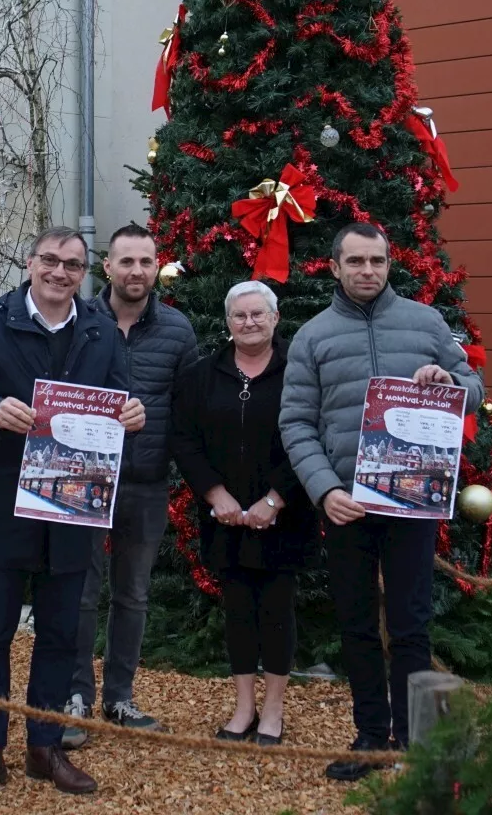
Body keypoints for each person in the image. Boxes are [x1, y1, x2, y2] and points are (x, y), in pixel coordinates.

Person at [279, 222, 484, 781]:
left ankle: (417, 744)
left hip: (412, 500)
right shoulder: (313, 337)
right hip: (348, 505)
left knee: (412, 624)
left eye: (377, 261)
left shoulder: (427, 322)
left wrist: (450, 383)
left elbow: (475, 388)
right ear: (336, 266)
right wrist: (325, 490)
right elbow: (295, 423)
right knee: (356, 625)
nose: (367, 270)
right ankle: (371, 737)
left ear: (389, 264)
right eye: (356, 262)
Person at [0, 226, 146, 799]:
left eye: (73, 266)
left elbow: (121, 401)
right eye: (51, 262)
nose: (60, 273)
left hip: (71, 508)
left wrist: (132, 417)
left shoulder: (100, 330)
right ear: (30, 262)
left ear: (87, 274)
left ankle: (45, 744)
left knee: (61, 635)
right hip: (3, 503)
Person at [63, 223, 197, 748]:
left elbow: (188, 410)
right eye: (126, 262)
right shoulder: (76, 320)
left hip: (145, 481)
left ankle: (120, 696)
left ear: (155, 264)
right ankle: (76, 696)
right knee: (79, 592)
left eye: (145, 261)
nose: (136, 271)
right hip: (82, 479)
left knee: (133, 595)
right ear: (108, 267)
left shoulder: (177, 330)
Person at [171, 280, 314, 746]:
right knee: (236, 611)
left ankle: (273, 712)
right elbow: (185, 439)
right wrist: (216, 495)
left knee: (276, 610)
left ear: (275, 318)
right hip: (225, 517)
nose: (249, 323)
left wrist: (275, 500)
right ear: (228, 322)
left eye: (258, 314)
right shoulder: (201, 374)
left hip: (285, 515)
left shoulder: (301, 371)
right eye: (240, 316)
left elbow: (312, 436)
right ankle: (243, 707)